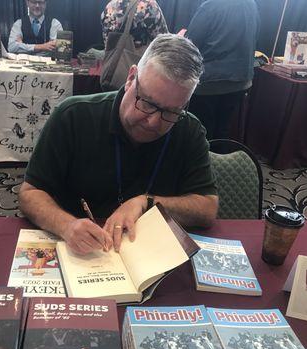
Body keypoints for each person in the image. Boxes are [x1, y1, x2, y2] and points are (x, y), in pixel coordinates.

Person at [19, 34, 218, 255]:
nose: (153, 122)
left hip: (152, 256)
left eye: (170, 111)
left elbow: (207, 207)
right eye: (148, 103)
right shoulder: (73, 116)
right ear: (131, 77)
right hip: (83, 253)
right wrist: (66, 225)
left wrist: (147, 202)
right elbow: (30, 193)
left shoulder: (189, 129)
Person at [185, 0, 259, 140]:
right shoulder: (251, 4)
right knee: (222, 130)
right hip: (240, 80)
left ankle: (199, 161)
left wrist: (182, 36)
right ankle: (219, 161)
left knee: (199, 132)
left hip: (209, 81)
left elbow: (191, 43)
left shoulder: (211, 5)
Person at [101, 0, 168, 49]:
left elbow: (107, 42)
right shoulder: (148, 5)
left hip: (113, 64)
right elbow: (163, 42)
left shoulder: (109, 7)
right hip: (139, 64)